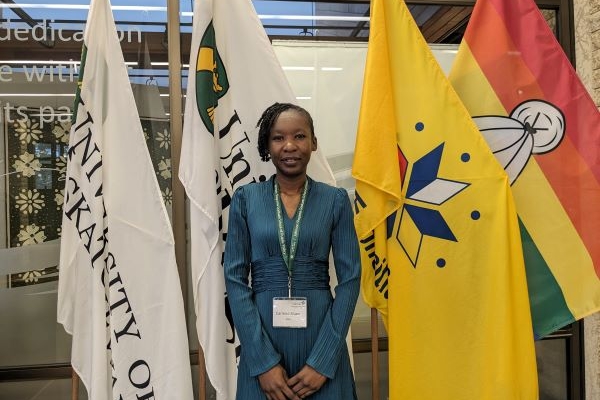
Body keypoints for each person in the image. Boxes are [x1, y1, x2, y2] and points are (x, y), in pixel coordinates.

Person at [224, 102, 361, 400]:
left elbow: (351, 280)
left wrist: (324, 361)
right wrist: (262, 362)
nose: (289, 146)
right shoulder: (246, 200)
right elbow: (234, 279)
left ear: (313, 143)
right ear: (267, 145)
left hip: (322, 339)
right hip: (263, 342)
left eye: (299, 136)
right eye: (278, 138)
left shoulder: (335, 200)